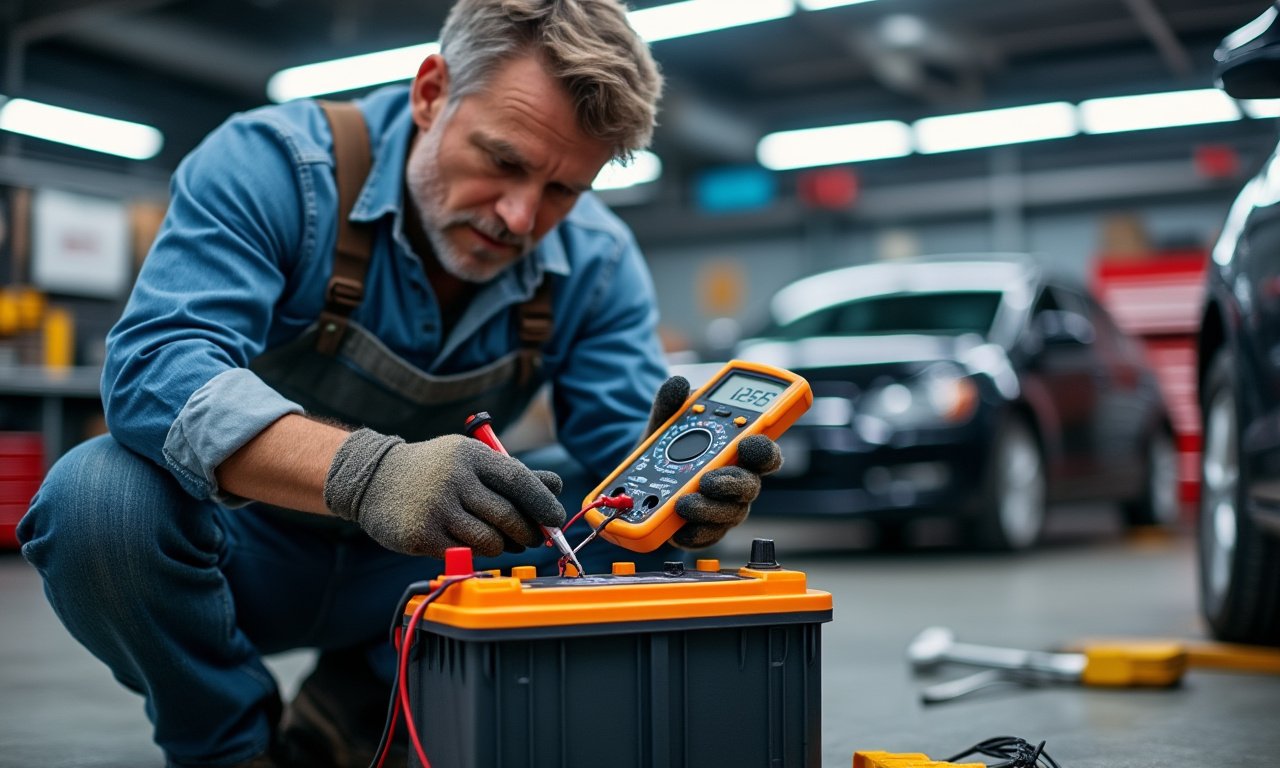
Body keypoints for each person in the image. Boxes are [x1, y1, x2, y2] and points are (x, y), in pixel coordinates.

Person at [17, 1, 781, 766]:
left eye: (561, 191)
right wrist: (368, 472)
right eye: (504, 162)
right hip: (244, 554)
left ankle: (363, 699)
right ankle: (228, 746)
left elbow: (621, 455)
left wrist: (681, 501)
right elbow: (157, 366)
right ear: (430, 92)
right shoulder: (277, 166)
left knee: (615, 530)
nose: (519, 217)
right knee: (97, 502)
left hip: (431, 573)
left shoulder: (598, 262)